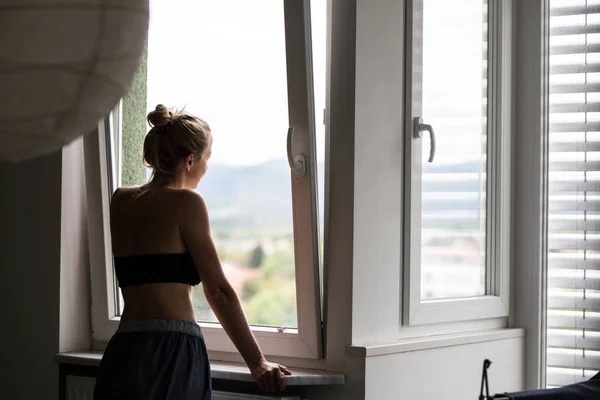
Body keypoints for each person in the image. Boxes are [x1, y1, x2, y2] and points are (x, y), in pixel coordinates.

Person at [93, 104, 291, 400]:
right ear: (188, 161)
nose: (207, 166)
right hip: (171, 351)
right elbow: (218, 291)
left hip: (124, 349)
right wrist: (257, 362)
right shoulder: (187, 203)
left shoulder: (121, 200)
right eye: (207, 157)